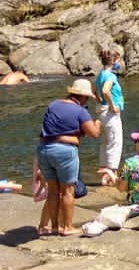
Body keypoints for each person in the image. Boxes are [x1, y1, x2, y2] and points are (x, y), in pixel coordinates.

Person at [35, 78, 101, 236]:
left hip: (44, 149)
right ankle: (67, 227)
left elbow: (52, 129)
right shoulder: (81, 111)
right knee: (67, 192)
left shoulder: (53, 104)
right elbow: (94, 133)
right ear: (83, 96)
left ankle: (55, 227)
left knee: (52, 191)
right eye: (87, 98)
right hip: (64, 152)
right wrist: (98, 122)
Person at [95, 48, 125, 187]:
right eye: (118, 60)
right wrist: (112, 105)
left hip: (102, 113)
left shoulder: (100, 74)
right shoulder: (111, 76)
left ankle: (104, 174)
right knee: (115, 142)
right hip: (110, 113)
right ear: (113, 61)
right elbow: (106, 90)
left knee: (105, 142)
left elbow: (95, 90)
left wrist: (99, 100)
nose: (119, 63)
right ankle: (112, 175)